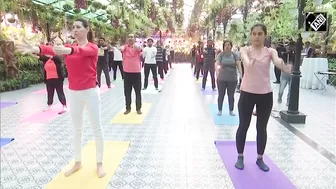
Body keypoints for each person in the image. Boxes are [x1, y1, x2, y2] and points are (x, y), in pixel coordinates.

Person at [16, 18, 106, 178]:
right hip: (74, 93)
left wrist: (66, 51)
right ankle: (78, 162)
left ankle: (99, 163)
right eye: (73, 27)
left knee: (96, 129)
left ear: (87, 29)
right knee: (77, 129)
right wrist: (36, 48)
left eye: (78, 27)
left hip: (91, 92)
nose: (75, 30)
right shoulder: (69, 48)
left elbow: (79, 51)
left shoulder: (93, 47)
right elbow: (51, 50)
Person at [235, 23, 292, 172]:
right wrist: (249, 62)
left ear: (265, 35)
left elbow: (277, 60)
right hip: (247, 93)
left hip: (265, 95)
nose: (257, 36)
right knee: (243, 126)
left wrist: (283, 66)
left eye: (260, 34)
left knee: (261, 128)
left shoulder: (270, 51)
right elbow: (245, 60)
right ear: (251, 35)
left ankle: (260, 158)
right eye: (254, 34)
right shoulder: (245, 49)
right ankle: (240, 156)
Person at [116, 34, 142, 115]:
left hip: (136, 73)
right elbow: (121, 48)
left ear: (134, 39)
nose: (130, 38)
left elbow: (140, 49)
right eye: (129, 37)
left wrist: (134, 45)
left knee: (138, 92)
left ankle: (138, 108)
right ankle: (128, 108)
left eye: (132, 37)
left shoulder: (137, 46)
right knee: (127, 92)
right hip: (127, 73)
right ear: (127, 39)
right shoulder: (125, 47)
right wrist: (122, 47)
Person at [38, 41, 67, 114]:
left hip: (57, 79)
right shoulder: (46, 59)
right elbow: (39, 57)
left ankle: (64, 105)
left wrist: (51, 54)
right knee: (50, 93)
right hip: (49, 79)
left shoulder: (57, 57)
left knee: (60, 92)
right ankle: (49, 105)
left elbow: (56, 58)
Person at [215, 40, 242, 116]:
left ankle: (231, 110)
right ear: (223, 47)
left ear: (231, 46)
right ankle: (220, 110)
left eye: (229, 45)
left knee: (231, 95)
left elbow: (238, 65)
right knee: (221, 95)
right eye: (226, 45)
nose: (227, 46)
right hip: (221, 79)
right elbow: (216, 64)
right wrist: (217, 73)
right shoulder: (221, 55)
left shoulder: (234, 55)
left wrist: (241, 75)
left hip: (232, 79)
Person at [278, 41, 295, 106]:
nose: (291, 47)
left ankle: (288, 101)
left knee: (290, 89)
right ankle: (280, 96)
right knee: (281, 89)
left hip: (292, 73)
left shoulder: (295, 54)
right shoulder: (285, 54)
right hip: (285, 73)